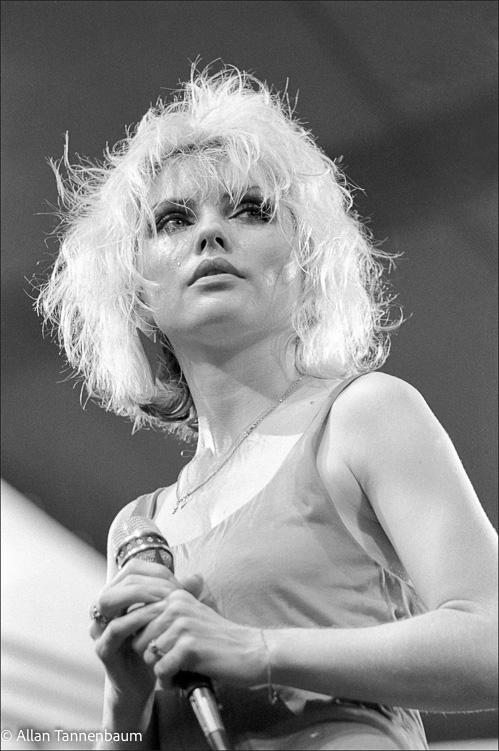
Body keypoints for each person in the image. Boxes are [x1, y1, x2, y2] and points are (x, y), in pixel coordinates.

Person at [37, 66, 497, 750]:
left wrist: (255, 649)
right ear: (136, 290)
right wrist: (123, 703)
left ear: (307, 261)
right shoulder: (137, 530)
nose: (210, 235)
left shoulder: (363, 415)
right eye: (173, 220)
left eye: (249, 210)